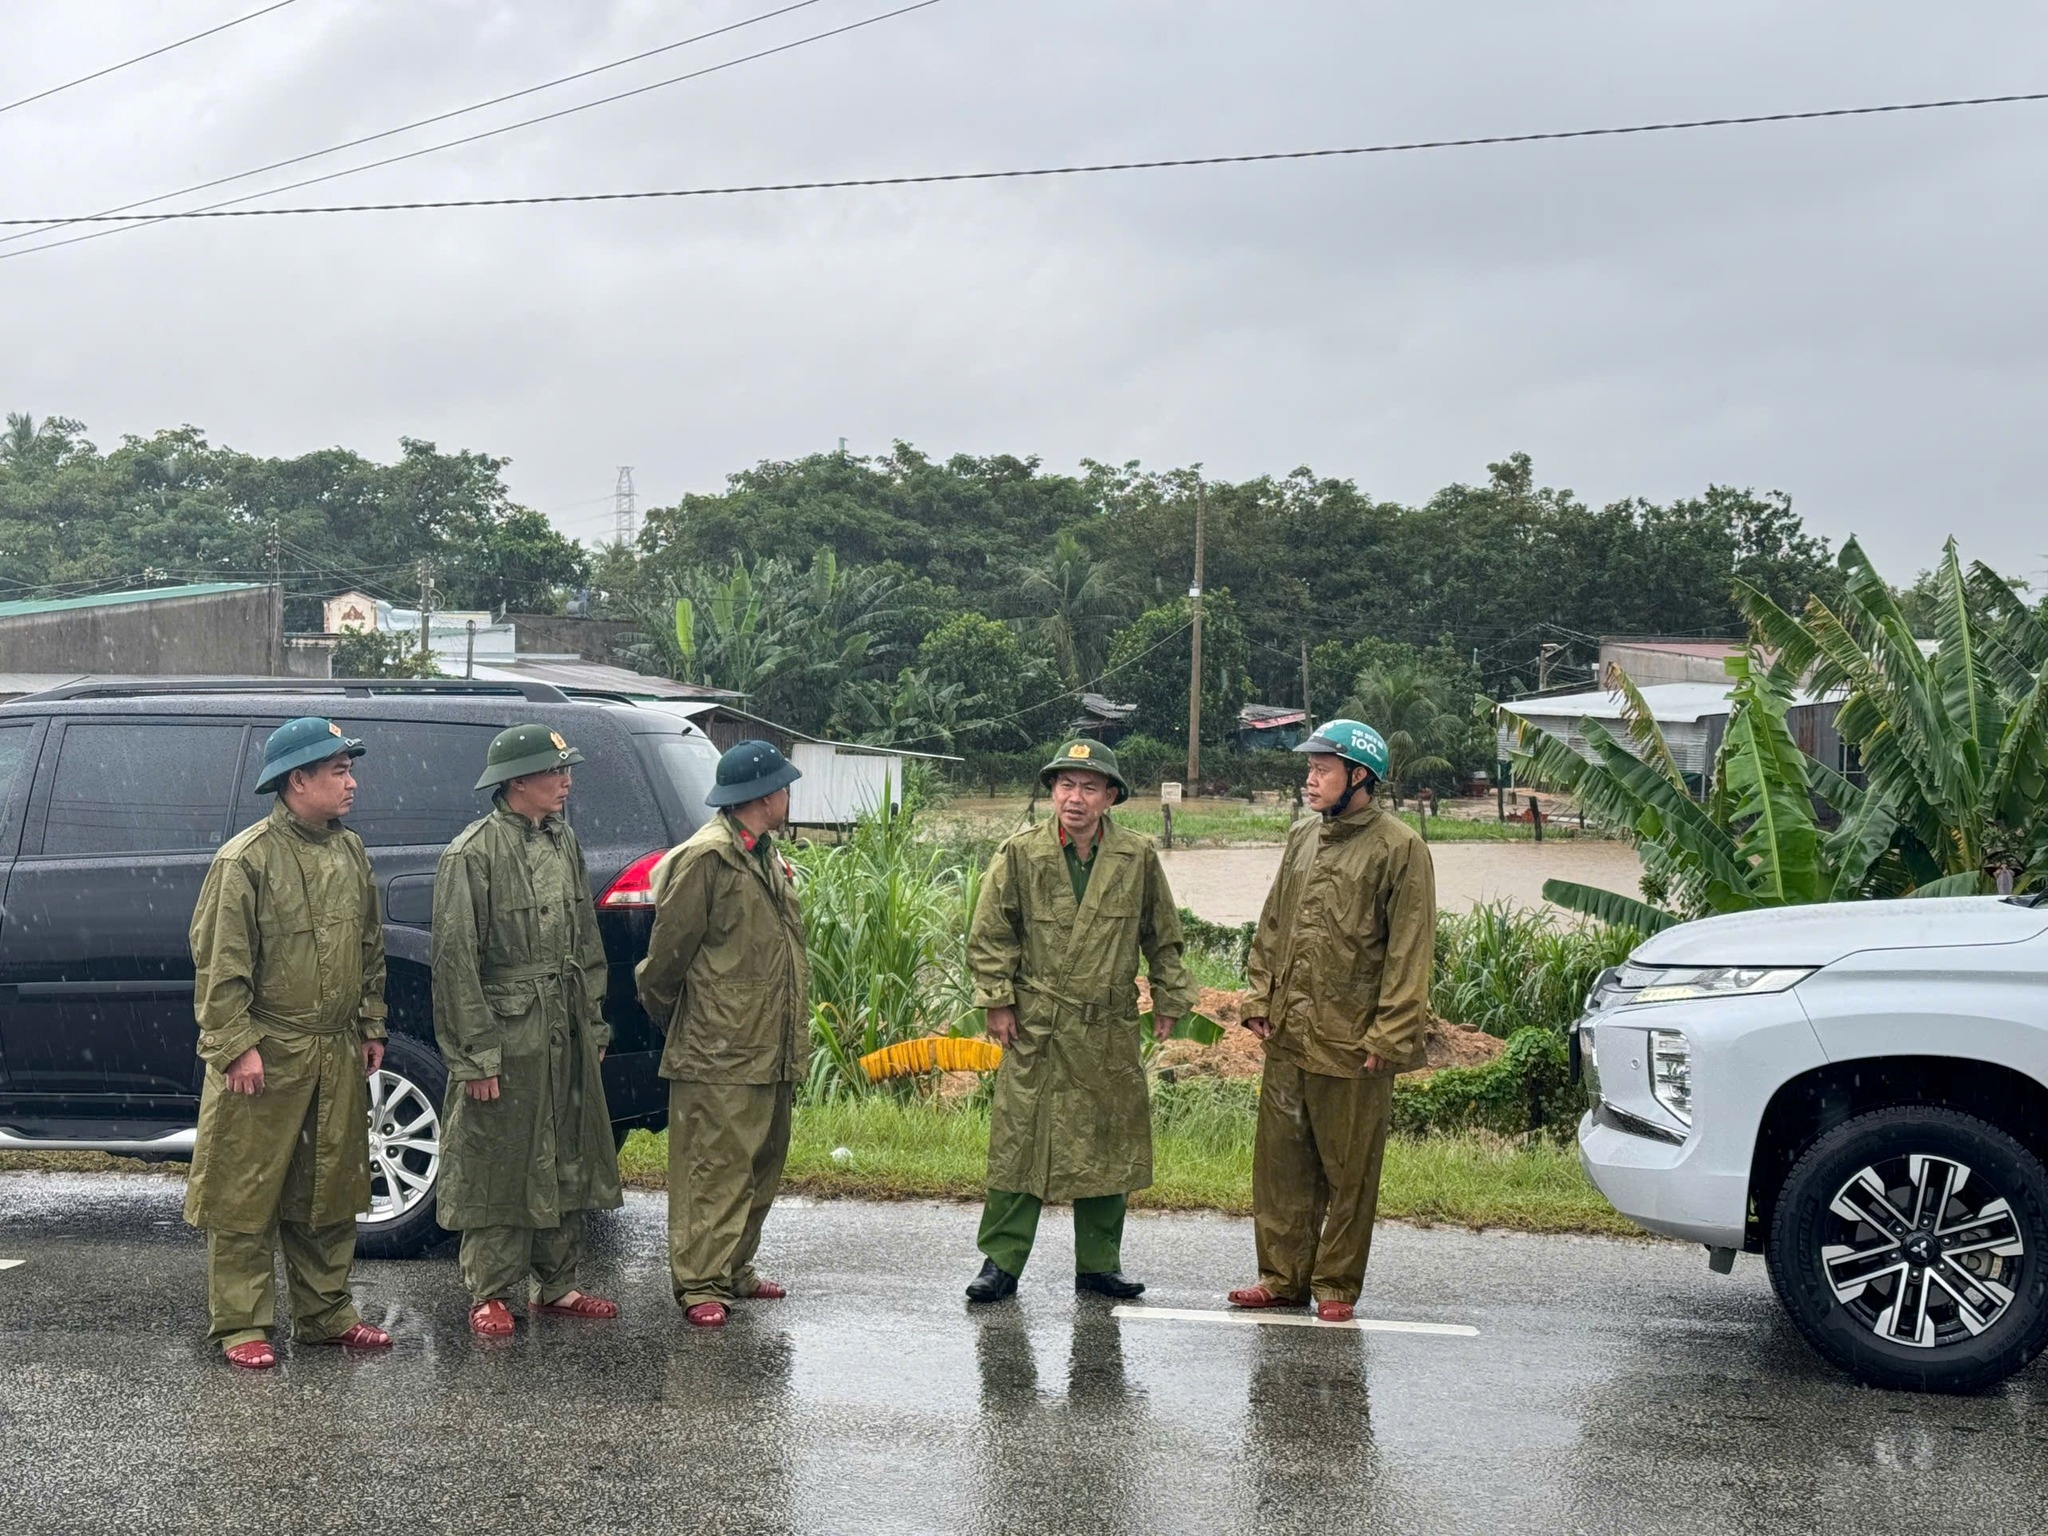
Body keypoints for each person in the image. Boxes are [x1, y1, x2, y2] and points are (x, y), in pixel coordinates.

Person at [183, 717, 393, 1369]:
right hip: (266, 1051)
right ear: (297, 781)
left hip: (332, 1048)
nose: (352, 782)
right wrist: (235, 1044)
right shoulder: (244, 860)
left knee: (328, 1187)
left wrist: (370, 1023)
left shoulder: (350, 851)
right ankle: (242, 1322)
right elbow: (220, 963)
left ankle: (326, 1313)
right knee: (247, 1189)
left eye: (349, 769)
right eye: (338, 771)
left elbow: (369, 946)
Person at [963, 739, 1197, 1303]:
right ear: (1052, 792)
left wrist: (1169, 998)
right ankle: (1001, 1262)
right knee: (1020, 1140)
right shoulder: (1021, 853)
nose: (1075, 797)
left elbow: (1162, 935)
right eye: (1066, 785)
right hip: (1037, 1024)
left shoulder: (1136, 856)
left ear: (1110, 797)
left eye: (1089, 787)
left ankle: (1098, 1264)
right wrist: (997, 999)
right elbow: (992, 931)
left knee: (1106, 1142)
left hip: (1106, 1025)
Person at [1229, 719, 1436, 1324]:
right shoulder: (1301, 837)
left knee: (1349, 1171)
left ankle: (1336, 1284)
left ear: (1360, 776)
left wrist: (1391, 1033)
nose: (1310, 779)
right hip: (1290, 1033)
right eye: (1310, 768)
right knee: (1281, 1163)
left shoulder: (1401, 848)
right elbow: (1273, 924)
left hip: (1354, 1038)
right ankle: (1281, 1277)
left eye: (1323, 769)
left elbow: (1409, 949)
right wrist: (1258, 999)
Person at [431, 724, 623, 1337]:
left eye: (566, 770)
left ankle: (556, 1284)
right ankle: (489, 1290)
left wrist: (592, 1017)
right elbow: (456, 963)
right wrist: (476, 1058)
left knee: (565, 1146)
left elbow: (585, 941)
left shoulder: (563, 840)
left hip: (562, 1019)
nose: (566, 782)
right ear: (518, 781)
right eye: (554, 771)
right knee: (498, 1156)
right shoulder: (473, 853)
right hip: (508, 1027)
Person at [636, 739, 808, 1329]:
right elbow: (664, 962)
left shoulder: (762, 853)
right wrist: (690, 1018)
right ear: (763, 795)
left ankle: (735, 1267)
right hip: (719, 1046)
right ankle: (700, 1282)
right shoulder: (708, 858)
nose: (789, 795)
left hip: (770, 1041)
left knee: (761, 1160)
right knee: (714, 1166)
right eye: (783, 786)